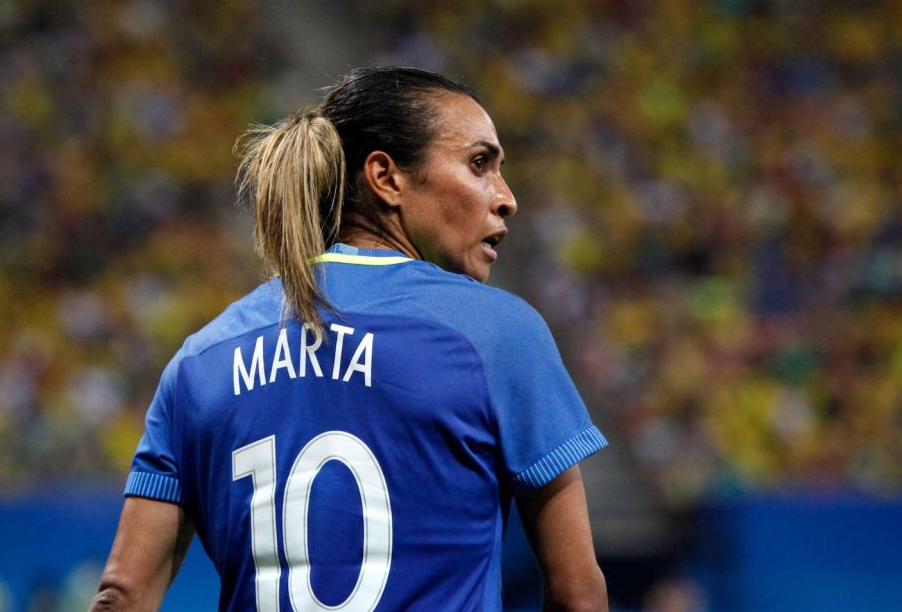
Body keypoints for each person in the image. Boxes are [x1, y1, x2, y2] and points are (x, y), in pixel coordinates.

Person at [90, 67, 609, 612]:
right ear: (386, 178)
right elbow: (579, 593)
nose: (506, 198)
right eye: (480, 164)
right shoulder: (497, 335)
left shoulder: (199, 361)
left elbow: (121, 594)